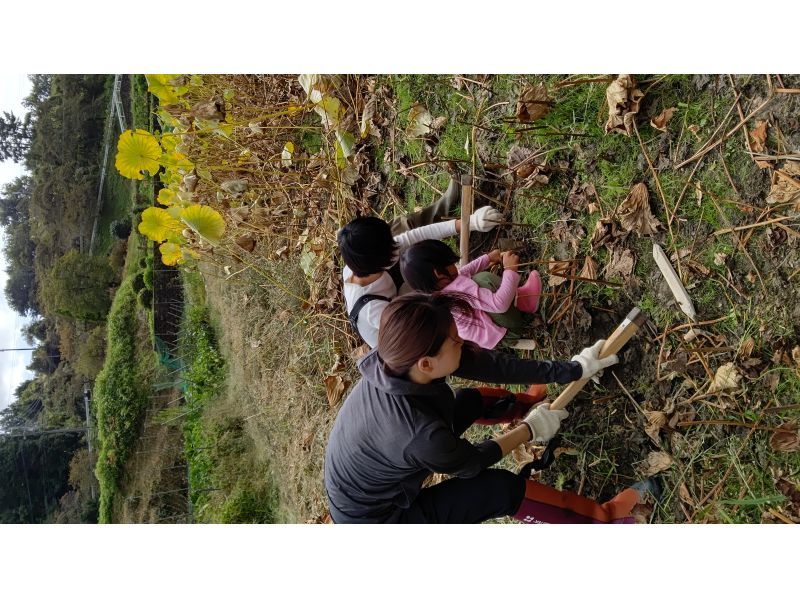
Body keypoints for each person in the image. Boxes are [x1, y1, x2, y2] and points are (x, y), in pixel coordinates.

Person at [324, 292, 660, 524]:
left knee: (469, 401)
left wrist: (572, 369)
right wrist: (530, 430)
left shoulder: (397, 360)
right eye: (456, 341)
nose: (464, 343)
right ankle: (608, 519)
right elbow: (472, 464)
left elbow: (493, 367)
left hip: (378, 474)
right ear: (426, 363)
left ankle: (528, 403)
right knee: (498, 489)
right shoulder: (420, 434)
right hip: (381, 523)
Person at [338, 174, 502, 347]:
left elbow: (415, 235)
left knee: (401, 226)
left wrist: (470, 223)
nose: (396, 244)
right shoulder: (374, 310)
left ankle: (443, 206)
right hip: (403, 334)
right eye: (390, 248)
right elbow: (420, 328)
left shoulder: (363, 259)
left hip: (399, 295)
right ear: (381, 262)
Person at [400, 239, 542, 349]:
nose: (455, 265)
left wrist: (488, 258)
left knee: (476, 279)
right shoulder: (458, 291)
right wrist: (510, 270)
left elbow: (464, 271)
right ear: (438, 273)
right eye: (451, 263)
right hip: (507, 332)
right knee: (484, 280)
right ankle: (526, 300)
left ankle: (519, 302)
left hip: (495, 339)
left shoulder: (439, 294)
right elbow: (500, 305)